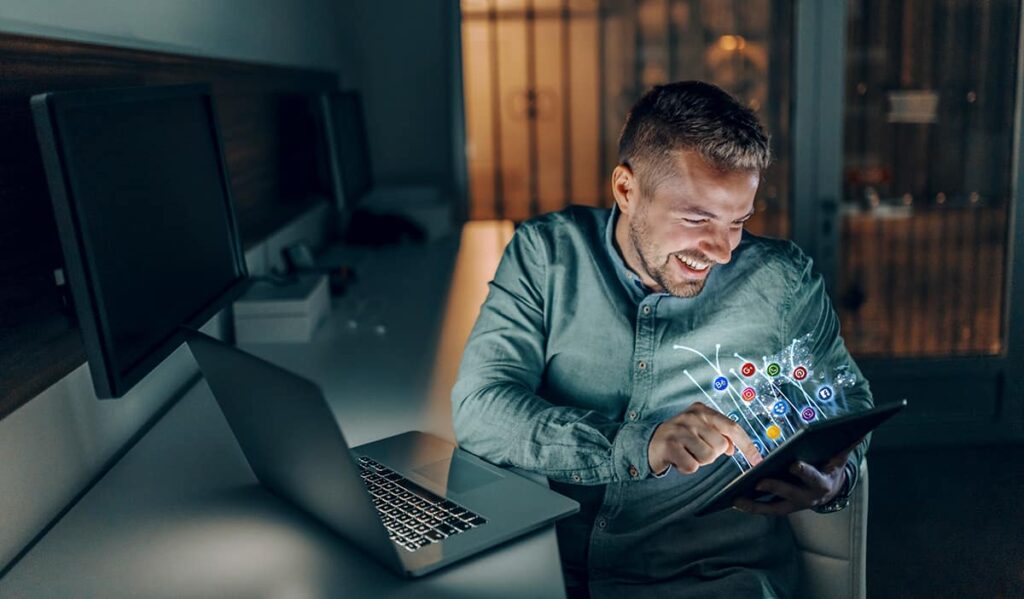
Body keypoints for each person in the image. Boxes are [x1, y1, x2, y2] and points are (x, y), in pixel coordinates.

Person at [451, 81, 873, 598]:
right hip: (550, 572)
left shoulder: (781, 282)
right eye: (696, 219)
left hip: (713, 579)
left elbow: (850, 403)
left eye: (737, 221)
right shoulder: (545, 256)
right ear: (627, 190)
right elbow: (480, 406)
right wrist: (639, 445)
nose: (720, 250)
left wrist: (837, 481)